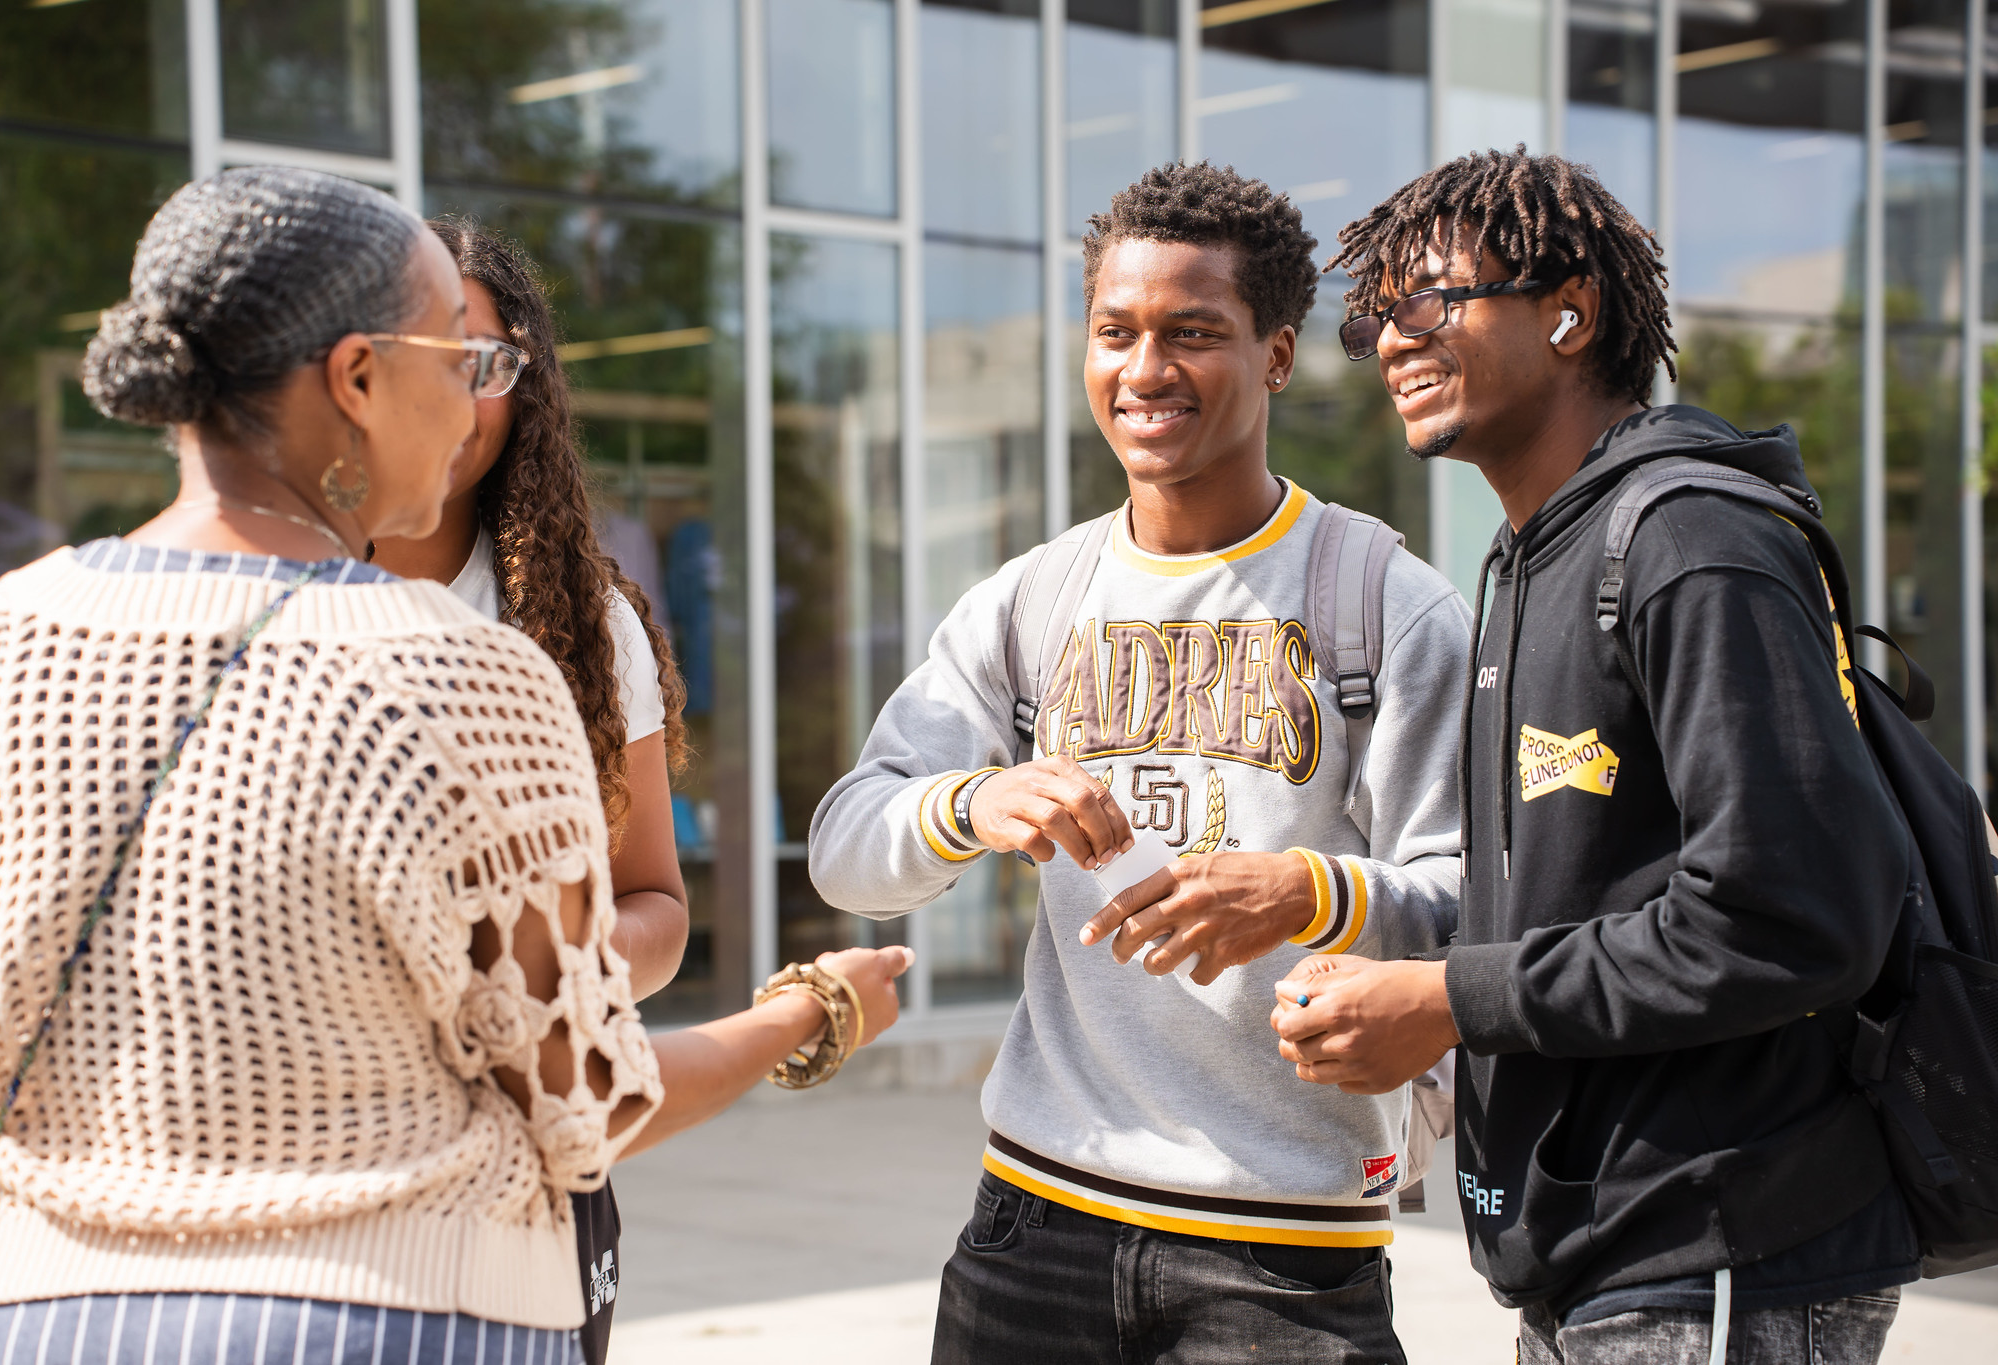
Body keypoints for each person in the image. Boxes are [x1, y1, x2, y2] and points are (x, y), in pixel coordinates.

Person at [0, 166, 911, 1365]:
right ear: (357, 378)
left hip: (21, 1320)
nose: (470, 403)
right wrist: (809, 1011)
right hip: (382, 1318)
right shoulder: (466, 675)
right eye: (453, 358)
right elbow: (590, 1107)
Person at [810, 162, 1474, 1362]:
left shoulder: (1385, 606)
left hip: (1286, 1260)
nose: (1143, 369)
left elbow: (1489, 905)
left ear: (1276, 357)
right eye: (1114, 331)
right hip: (1031, 1227)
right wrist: (974, 798)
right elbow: (847, 851)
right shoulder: (1032, 600)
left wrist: (1313, 890)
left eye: (1191, 333)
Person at [1272, 147, 1912, 1364]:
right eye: (1371, 322)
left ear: (1571, 311)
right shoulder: (1531, 558)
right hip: (1599, 1261)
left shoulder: (1686, 541)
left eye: (1427, 302)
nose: (1391, 341)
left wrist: (1449, 1000)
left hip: (1720, 1254)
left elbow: (1789, 916)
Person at [369, 216, 690, 1365]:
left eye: (484, 364)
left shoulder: (584, 625)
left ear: (528, 386)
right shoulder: (257, 599)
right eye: (415, 356)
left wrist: (547, 958)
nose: (451, 398)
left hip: (536, 1156)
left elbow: (655, 901)